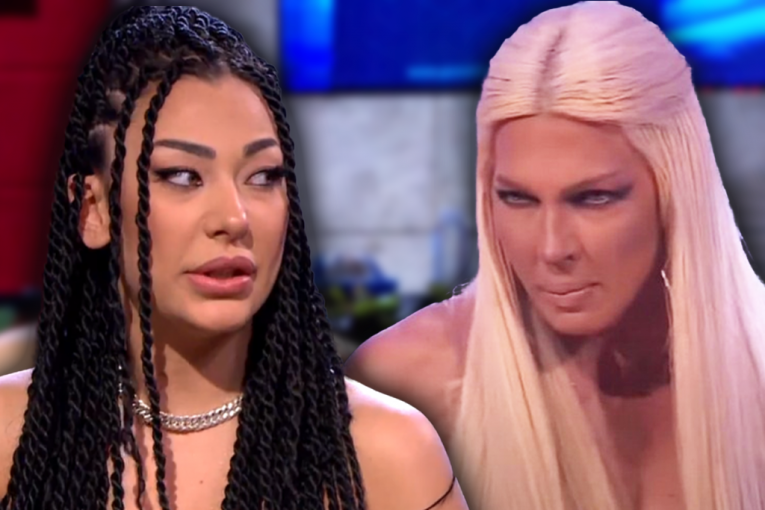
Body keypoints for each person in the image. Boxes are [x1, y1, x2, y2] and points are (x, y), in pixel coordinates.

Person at [0, 6, 468, 510]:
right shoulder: (13, 437)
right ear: (92, 209)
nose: (235, 217)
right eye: (183, 176)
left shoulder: (389, 455)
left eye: (263, 176)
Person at [345, 2, 765, 509]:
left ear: (676, 187)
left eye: (594, 198)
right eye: (517, 198)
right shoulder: (404, 383)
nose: (551, 248)